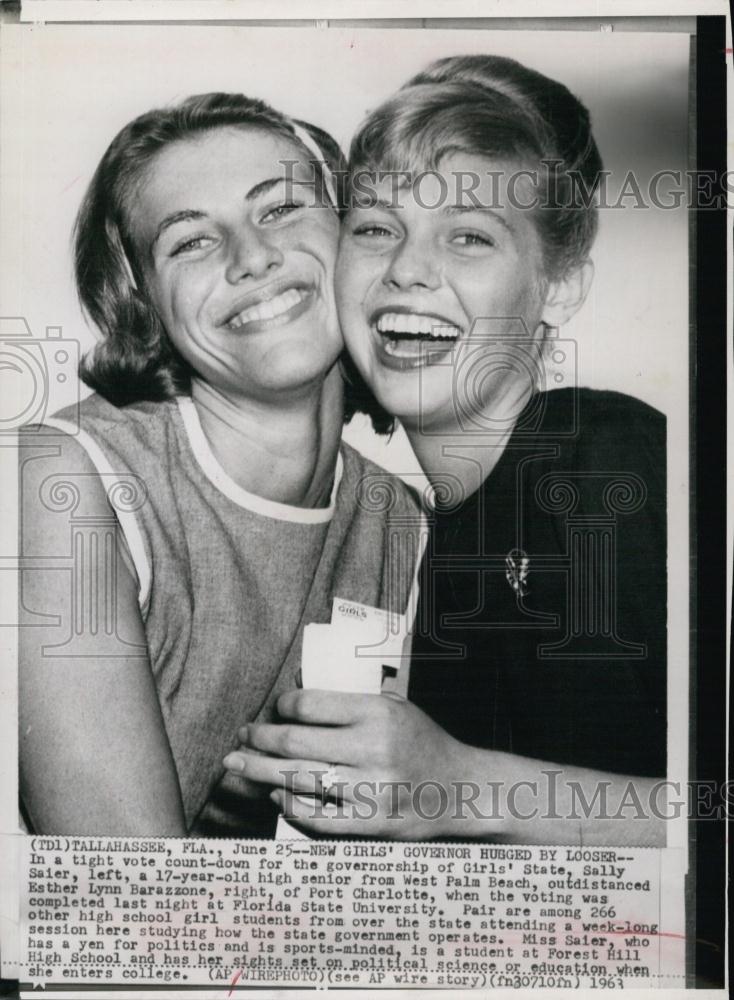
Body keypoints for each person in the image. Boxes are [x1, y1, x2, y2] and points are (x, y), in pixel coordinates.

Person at [230, 56, 666, 845]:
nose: (407, 270)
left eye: (468, 236)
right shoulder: (424, 544)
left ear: (558, 285)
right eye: (375, 228)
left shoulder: (606, 460)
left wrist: (464, 786)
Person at [18, 92, 422, 837]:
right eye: (190, 242)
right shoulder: (70, 478)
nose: (252, 258)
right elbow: (128, 906)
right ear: (145, 304)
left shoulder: (402, 522)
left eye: (280, 209)